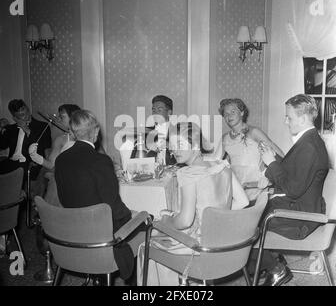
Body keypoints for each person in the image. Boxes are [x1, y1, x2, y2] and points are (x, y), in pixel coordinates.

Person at [137, 122, 249, 285]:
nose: (175, 150)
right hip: (223, 239)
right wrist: (212, 216)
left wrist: (166, 221)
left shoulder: (188, 174)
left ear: (196, 145)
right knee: (160, 230)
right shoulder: (221, 165)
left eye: (180, 144)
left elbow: (184, 222)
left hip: (200, 246)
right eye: (172, 145)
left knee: (147, 242)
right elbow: (243, 201)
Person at [250, 94, 329, 286]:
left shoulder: (309, 146)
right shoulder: (308, 140)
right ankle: (271, 259)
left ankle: (275, 268)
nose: (285, 121)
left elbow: (293, 189)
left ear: (302, 119)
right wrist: (272, 160)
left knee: (243, 225)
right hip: (299, 206)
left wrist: (271, 164)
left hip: (301, 217)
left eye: (289, 117)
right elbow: (292, 173)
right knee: (249, 207)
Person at [54, 109, 136, 281]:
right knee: (145, 224)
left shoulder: (61, 160)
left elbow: (63, 199)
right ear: (96, 131)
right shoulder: (101, 161)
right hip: (100, 240)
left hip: (70, 233)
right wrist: (134, 217)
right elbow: (114, 208)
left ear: (73, 133)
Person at [215, 98, 284, 201]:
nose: (229, 116)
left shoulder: (254, 132)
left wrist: (269, 177)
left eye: (233, 112)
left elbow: (279, 155)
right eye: (225, 114)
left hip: (256, 187)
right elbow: (216, 163)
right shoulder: (225, 138)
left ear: (242, 113)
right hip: (237, 188)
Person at [0, 99, 51, 182]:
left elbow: (42, 147)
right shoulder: (10, 129)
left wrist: (26, 130)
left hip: (29, 163)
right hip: (11, 162)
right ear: (15, 117)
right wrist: (1, 128)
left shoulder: (42, 126)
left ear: (27, 108)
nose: (25, 116)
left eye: (24, 111)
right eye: (20, 115)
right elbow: (2, 145)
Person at [131, 95, 177, 165]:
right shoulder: (145, 133)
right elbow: (133, 160)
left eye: (159, 110)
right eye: (153, 110)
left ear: (169, 112)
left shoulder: (178, 133)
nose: (155, 113)